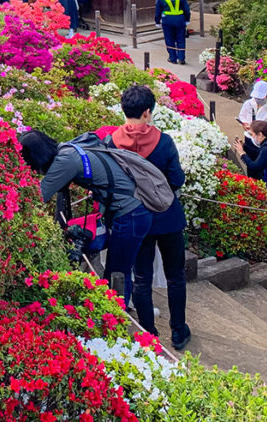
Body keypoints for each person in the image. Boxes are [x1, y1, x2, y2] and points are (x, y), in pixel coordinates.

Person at [18, 130, 151, 307]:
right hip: (133, 209)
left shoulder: (65, 162)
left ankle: (118, 321)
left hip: (131, 212)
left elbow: (35, 197)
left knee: (117, 271)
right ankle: (119, 315)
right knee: (118, 268)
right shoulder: (68, 149)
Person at [107, 85, 191, 350]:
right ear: (147, 113)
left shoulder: (111, 142)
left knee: (141, 278)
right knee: (175, 275)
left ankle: (149, 334)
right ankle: (178, 330)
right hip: (167, 217)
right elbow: (177, 178)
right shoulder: (163, 142)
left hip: (133, 218)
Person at [238, 80, 267, 159]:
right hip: (248, 138)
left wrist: (254, 130)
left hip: (261, 142)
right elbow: (242, 115)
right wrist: (244, 123)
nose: (257, 99)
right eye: (256, 97)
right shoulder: (248, 103)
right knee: (249, 160)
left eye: (260, 97)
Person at [154, 0, 190, 64]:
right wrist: (187, 19)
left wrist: (157, 22)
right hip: (180, 20)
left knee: (169, 39)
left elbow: (157, 11)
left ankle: (172, 58)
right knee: (181, 39)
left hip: (167, 21)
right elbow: (186, 8)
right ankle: (181, 58)